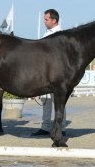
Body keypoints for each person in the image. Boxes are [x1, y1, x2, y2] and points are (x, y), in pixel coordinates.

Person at [31, 9, 67, 137]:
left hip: (56, 75)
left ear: (54, 20)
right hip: (44, 74)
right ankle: (45, 126)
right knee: (45, 101)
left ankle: (61, 127)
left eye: (46, 19)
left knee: (59, 101)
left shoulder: (60, 35)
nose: (44, 21)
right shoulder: (47, 33)